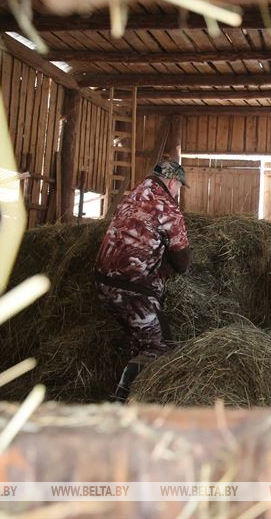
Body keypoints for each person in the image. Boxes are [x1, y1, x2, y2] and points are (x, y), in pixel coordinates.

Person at [94, 160, 192, 401]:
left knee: (140, 343)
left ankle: (136, 394)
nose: (178, 191)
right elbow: (183, 262)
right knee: (160, 347)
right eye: (179, 186)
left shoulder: (133, 196)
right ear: (172, 182)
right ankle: (120, 403)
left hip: (102, 283)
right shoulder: (167, 208)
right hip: (132, 291)